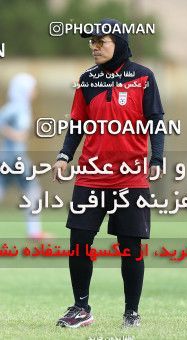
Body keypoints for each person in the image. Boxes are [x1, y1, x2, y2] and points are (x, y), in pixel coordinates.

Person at [52, 18, 164, 328]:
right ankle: (81, 308)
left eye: (102, 41)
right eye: (92, 41)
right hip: (91, 175)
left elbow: (155, 119)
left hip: (131, 176)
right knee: (79, 240)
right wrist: (64, 155)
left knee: (131, 247)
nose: (94, 46)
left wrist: (157, 158)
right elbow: (77, 124)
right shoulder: (86, 80)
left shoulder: (143, 77)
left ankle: (131, 313)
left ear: (119, 44)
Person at [0, 73, 51, 238]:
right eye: (32, 88)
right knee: (33, 191)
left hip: (6, 158)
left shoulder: (11, 107)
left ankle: (34, 232)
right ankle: (34, 232)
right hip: (16, 158)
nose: (34, 92)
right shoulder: (21, 108)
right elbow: (20, 135)